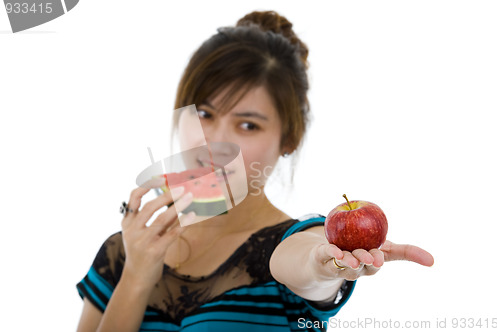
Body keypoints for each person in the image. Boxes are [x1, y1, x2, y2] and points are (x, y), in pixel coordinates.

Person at [76, 10, 434, 332]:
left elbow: (305, 262)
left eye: (247, 125)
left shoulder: (294, 243)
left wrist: (323, 266)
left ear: (288, 139)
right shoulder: (122, 250)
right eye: (204, 114)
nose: (214, 143)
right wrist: (137, 274)